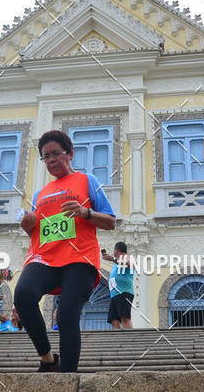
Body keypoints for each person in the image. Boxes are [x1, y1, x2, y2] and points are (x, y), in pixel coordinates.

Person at [15, 129, 116, 373]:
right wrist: (29, 225)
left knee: (67, 315)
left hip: (79, 258)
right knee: (23, 295)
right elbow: (39, 232)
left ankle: (68, 376)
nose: (50, 160)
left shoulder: (87, 181)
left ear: (70, 154)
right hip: (45, 257)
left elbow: (111, 222)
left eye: (56, 154)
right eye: (45, 156)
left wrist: (86, 213)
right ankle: (48, 359)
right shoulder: (40, 194)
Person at [102, 241, 135, 329]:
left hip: (124, 292)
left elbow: (130, 264)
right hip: (115, 294)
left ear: (116, 250)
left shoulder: (128, 257)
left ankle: (129, 339)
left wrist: (112, 259)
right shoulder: (116, 264)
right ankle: (118, 339)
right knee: (114, 320)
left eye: (114, 251)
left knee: (124, 318)